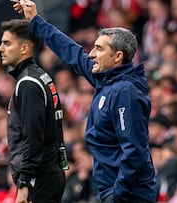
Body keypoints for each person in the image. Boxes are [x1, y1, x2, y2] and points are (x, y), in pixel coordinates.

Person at [12, 1, 157, 202]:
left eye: (99, 48)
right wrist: (36, 21)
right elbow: (72, 52)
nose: (92, 53)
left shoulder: (125, 92)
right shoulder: (105, 79)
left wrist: (119, 192)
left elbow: (134, 150)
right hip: (112, 190)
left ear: (117, 57)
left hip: (129, 194)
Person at [0, 18, 66, 203]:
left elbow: (33, 138)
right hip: (47, 175)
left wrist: (25, 183)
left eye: (7, 43)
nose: (0, 49)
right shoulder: (39, 76)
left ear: (24, 49)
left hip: (40, 179)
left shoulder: (28, 83)